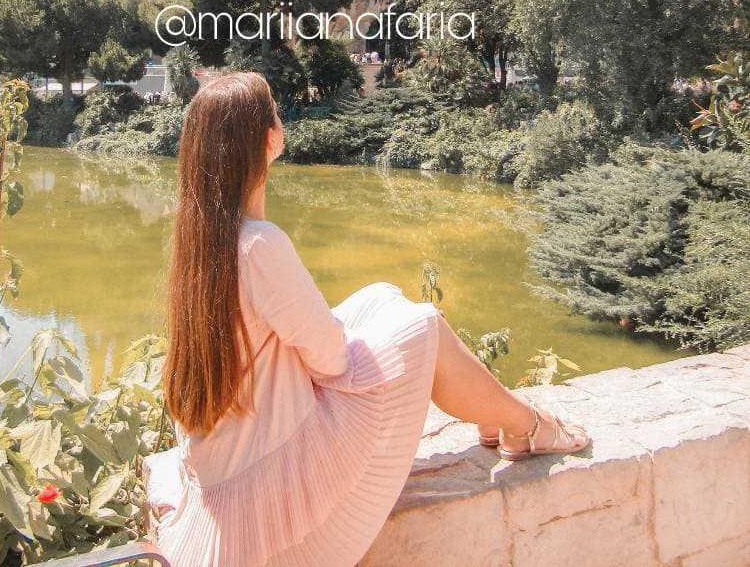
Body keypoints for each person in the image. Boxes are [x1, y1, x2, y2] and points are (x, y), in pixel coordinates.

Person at [154, 72, 588, 566]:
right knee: (420, 326)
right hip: (272, 478)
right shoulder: (258, 244)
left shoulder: (201, 241)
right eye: (275, 110)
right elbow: (332, 359)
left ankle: (503, 419)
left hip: (225, 471)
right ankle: (524, 425)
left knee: (381, 298)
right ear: (269, 140)